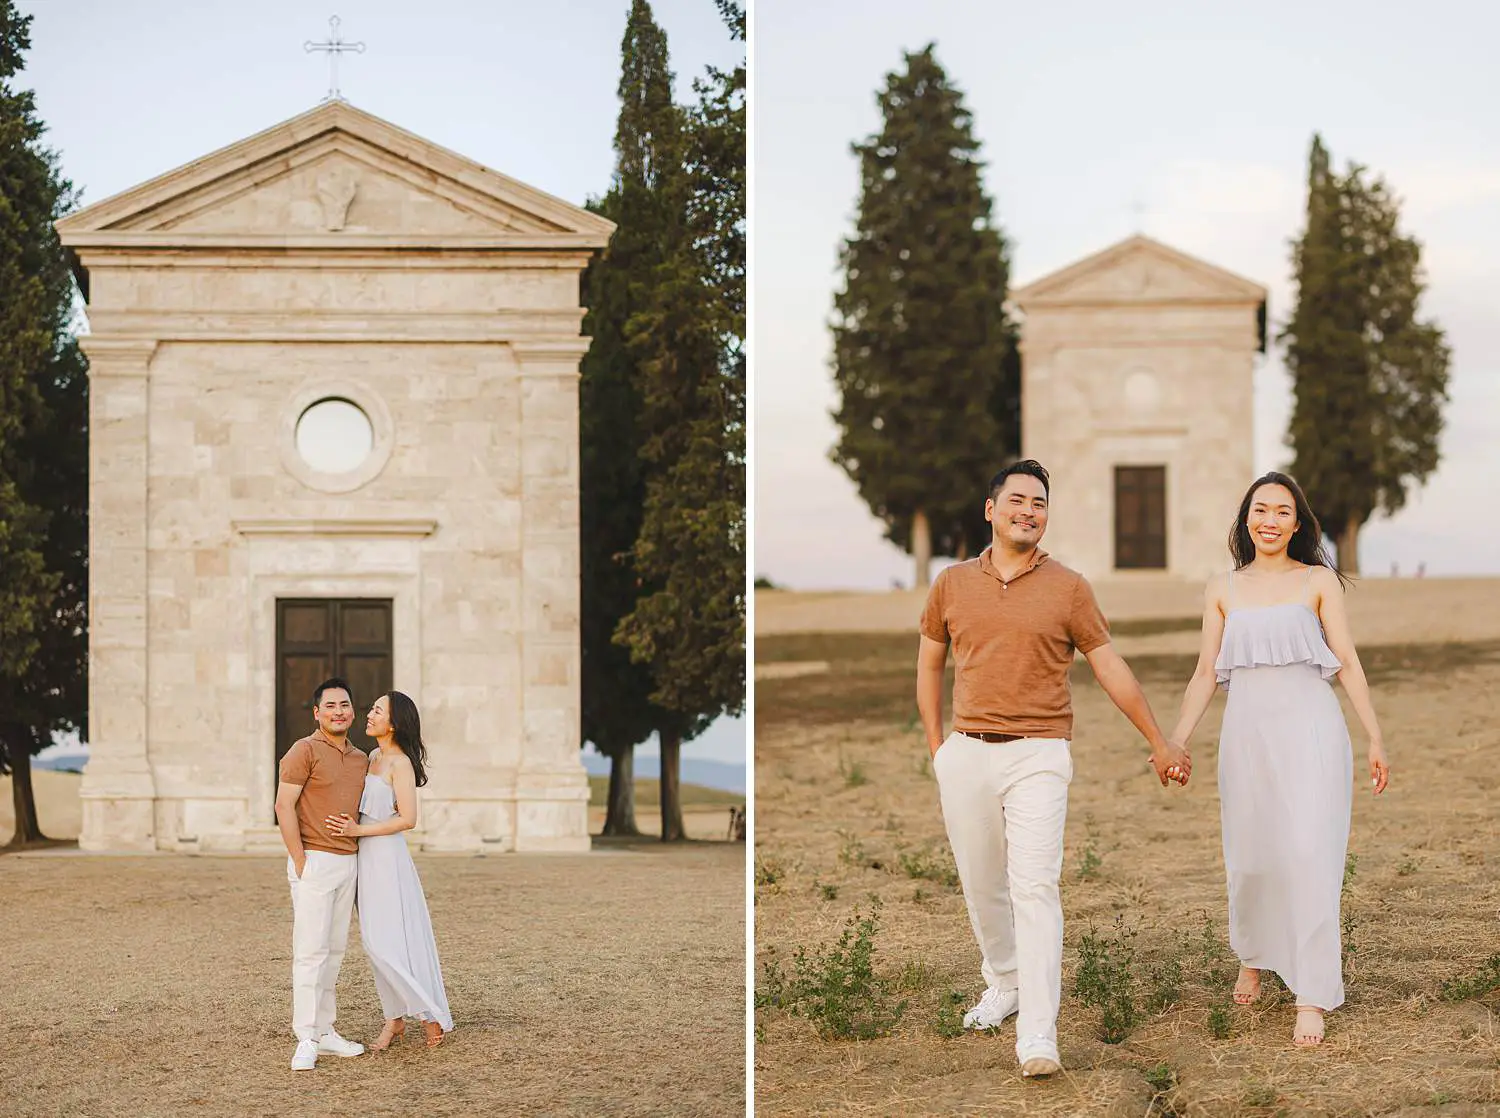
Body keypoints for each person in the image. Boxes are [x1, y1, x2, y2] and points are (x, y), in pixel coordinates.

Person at [916, 460, 1189, 1079]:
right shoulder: (951, 584)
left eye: (1039, 503)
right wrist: (939, 748)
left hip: (1040, 754)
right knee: (981, 883)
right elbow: (929, 663)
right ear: (990, 510)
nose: (1028, 511)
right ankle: (1005, 984)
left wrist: (1159, 740)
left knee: (1035, 888)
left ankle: (1038, 1033)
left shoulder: (1069, 587)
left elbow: (1109, 666)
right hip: (966, 752)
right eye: (1016, 500)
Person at [1165, 471, 1389, 1047]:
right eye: (1260, 509)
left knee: (1308, 853)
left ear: (1297, 523)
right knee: (1253, 855)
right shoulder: (1222, 587)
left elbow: (1348, 663)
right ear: (1246, 518)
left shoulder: (1317, 581)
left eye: (1282, 511)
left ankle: (1312, 991)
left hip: (1312, 729)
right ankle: (1255, 955)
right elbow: (1203, 673)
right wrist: (1177, 740)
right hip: (1247, 734)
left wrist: (1375, 737)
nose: (1270, 520)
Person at [325, 691, 453, 1049]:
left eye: (377, 711)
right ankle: (394, 1020)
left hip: (387, 858)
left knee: (389, 941)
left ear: (394, 723)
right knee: (372, 941)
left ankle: (430, 1013)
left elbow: (408, 819)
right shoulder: (372, 757)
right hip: (363, 856)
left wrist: (358, 830)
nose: (369, 714)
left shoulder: (401, 764)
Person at [275, 677, 371, 1071]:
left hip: (348, 862)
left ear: (352, 710)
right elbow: (283, 806)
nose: (339, 711)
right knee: (310, 953)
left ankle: (327, 1031)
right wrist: (299, 860)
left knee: (334, 952)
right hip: (313, 860)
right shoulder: (303, 750)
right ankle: (306, 1038)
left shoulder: (361, 758)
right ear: (317, 713)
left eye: (344, 705)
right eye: (330, 705)